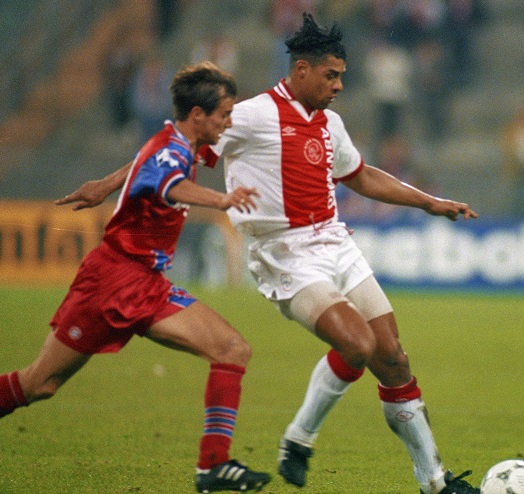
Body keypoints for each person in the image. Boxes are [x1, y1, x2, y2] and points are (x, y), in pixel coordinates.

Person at [58, 14, 481, 494]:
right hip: (285, 255)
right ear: (301, 70)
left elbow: (361, 175)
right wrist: (108, 185)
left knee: (393, 357)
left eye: (342, 76)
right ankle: (299, 437)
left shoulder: (330, 124)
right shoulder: (252, 115)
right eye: (331, 76)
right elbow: (175, 148)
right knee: (357, 345)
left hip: (336, 244)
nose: (340, 85)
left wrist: (428, 201)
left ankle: (434, 482)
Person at [3, 61, 271, 492]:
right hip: (110, 282)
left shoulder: (177, 141)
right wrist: (220, 199)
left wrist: (106, 184)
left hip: (147, 283)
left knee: (232, 348)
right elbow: (169, 183)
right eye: (224, 114)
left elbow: (147, 163)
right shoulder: (174, 152)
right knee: (41, 383)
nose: (229, 122)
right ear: (198, 116)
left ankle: (213, 467)